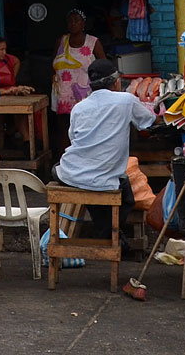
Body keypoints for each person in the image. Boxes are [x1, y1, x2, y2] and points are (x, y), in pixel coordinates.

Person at [52, 59, 155, 240]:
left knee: (68, 174)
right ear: (116, 82)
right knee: (124, 194)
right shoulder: (126, 101)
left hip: (71, 172)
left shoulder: (79, 107)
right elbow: (149, 122)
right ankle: (109, 235)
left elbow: (74, 139)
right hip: (103, 178)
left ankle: (107, 234)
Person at [51, 9, 106, 157]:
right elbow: (53, 65)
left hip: (85, 94)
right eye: (70, 21)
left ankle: (86, 157)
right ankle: (64, 158)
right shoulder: (61, 41)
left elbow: (104, 66)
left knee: (86, 127)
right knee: (64, 128)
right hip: (63, 93)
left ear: (83, 24)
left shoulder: (93, 42)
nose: (73, 24)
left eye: (77, 20)